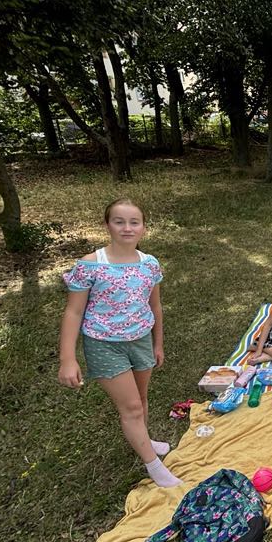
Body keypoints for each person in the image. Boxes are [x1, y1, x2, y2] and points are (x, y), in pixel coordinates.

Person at [58, 199, 180, 488]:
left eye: (134, 222)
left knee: (141, 399)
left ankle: (143, 439)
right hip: (104, 345)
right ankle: (154, 465)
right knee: (132, 408)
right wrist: (67, 359)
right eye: (119, 221)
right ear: (107, 225)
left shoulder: (149, 264)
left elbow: (155, 306)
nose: (127, 228)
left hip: (141, 340)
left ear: (144, 228)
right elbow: (73, 312)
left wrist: (158, 344)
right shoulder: (91, 265)